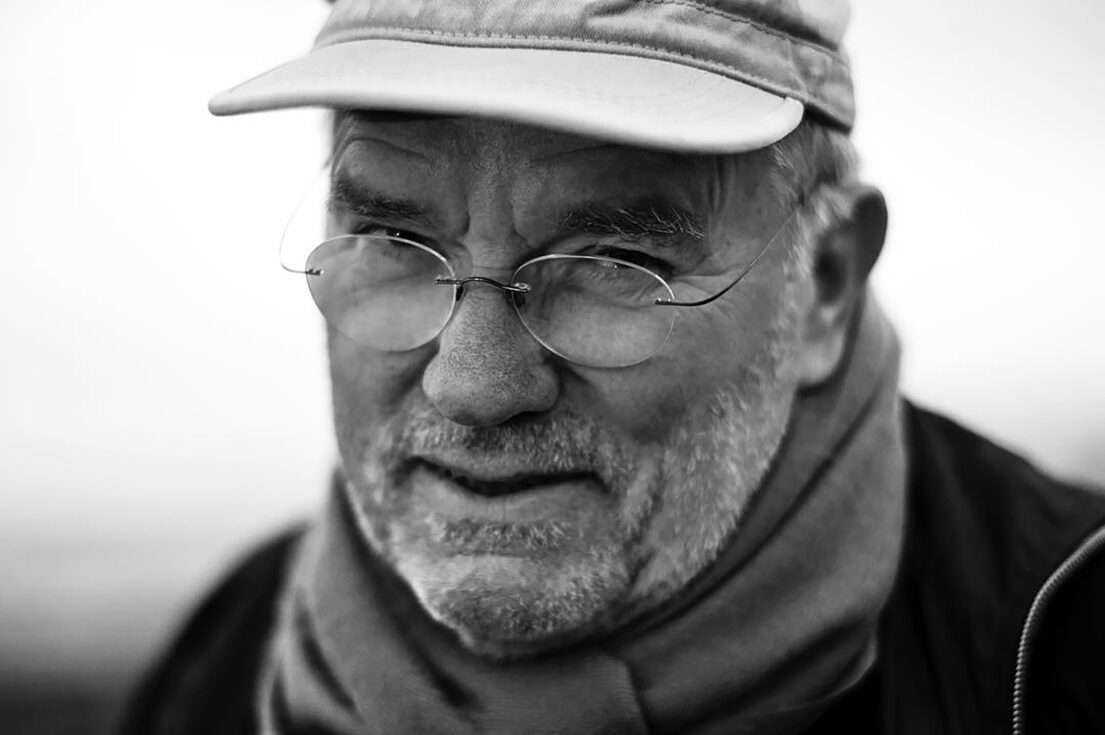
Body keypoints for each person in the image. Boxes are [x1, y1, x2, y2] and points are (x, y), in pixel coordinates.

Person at [120, 1, 1105, 733]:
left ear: (829, 283)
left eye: (610, 262)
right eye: (389, 234)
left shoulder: (1064, 645)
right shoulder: (230, 649)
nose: (473, 385)